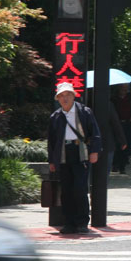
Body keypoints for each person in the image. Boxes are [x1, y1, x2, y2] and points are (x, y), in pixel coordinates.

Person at [47, 81, 103, 234]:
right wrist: (51, 160)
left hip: (81, 152)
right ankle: (69, 223)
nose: (65, 98)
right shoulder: (55, 116)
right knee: (66, 190)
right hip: (63, 154)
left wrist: (94, 151)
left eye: (68, 95)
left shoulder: (85, 112)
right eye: (61, 96)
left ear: (73, 96)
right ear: (58, 99)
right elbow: (51, 141)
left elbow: (95, 132)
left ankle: (82, 222)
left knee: (80, 188)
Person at [105, 99, 128, 175]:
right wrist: (122, 140)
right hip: (107, 141)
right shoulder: (108, 104)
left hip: (92, 141)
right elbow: (115, 123)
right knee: (106, 169)